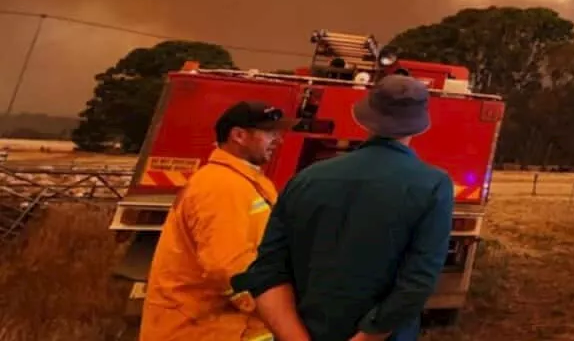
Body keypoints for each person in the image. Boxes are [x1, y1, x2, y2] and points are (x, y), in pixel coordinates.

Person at [232, 74, 455, 341]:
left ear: (364, 117)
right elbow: (415, 285)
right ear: (418, 126)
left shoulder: (305, 179)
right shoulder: (434, 186)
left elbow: (267, 273)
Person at [139, 100, 293, 341]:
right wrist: (278, 310)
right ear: (239, 135)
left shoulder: (244, 180)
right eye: (269, 132)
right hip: (202, 329)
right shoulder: (221, 187)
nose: (278, 139)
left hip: (221, 326)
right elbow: (227, 267)